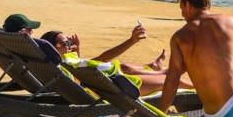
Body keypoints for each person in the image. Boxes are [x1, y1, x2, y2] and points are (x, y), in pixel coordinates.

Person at [40, 24, 193, 96]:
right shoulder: (62, 65)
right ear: (52, 48)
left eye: (69, 42)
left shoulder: (56, 64)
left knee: (129, 68)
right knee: (171, 81)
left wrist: (76, 50)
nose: (68, 45)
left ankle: (163, 69)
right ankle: (199, 88)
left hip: (105, 84)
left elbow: (77, 74)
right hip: (111, 91)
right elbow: (102, 59)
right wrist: (132, 41)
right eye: (63, 43)